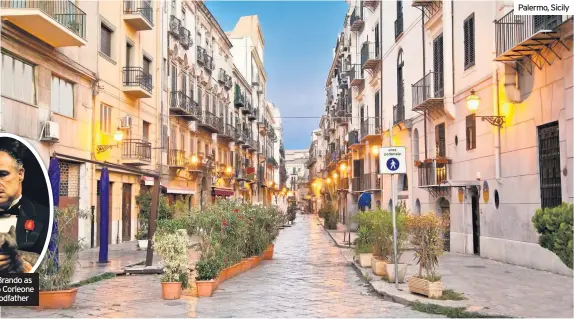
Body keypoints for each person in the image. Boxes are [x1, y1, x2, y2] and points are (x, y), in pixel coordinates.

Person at [0, 138, 49, 273]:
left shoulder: (45, 216)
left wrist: (28, 271)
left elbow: (50, 267)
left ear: (20, 174)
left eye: (2, 174)